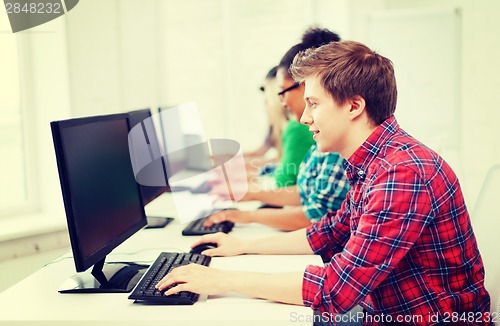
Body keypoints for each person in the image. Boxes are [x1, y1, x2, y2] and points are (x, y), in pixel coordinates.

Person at [157, 40, 490, 325]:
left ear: (354, 106)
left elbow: (336, 291)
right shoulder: (376, 160)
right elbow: (330, 231)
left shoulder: (401, 173)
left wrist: (218, 279)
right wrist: (241, 246)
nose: (304, 117)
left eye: (314, 104)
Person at [206, 27, 349, 231]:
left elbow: (316, 217)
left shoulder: (331, 139)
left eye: (282, 92)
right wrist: (246, 196)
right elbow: (307, 193)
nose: (280, 102)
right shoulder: (320, 136)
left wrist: (248, 214)